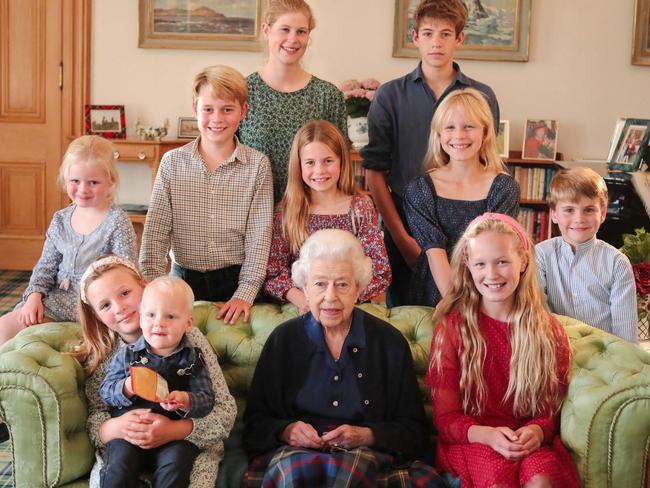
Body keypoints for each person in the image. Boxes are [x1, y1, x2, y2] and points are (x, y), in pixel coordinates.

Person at [245, 229, 442, 487]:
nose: (330, 297)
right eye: (320, 284)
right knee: (295, 474)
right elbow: (254, 424)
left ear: (358, 288)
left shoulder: (388, 342)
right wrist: (286, 430)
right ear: (305, 287)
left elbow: (415, 431)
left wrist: (367, 435)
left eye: (342, 284)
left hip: (368, 455)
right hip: (297, 456)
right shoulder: (284, 340)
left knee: (350, 476)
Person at [361, 0, 500, 306]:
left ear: (460, 39)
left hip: (467, 224)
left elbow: (487, 162)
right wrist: (402, 240)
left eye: (445, 34)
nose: (436, 42)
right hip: (405, 226)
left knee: (469, 312)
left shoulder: (481, 95)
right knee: (407, 321)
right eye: (428, 33)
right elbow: (374, 173)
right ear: (415, 38)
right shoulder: (390, 95)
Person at [428, 213, 580, 487]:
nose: (492, 274)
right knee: (498, 480)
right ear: (468, 266)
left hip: (527, 442)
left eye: (502, 262)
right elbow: (445, 419)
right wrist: (487, 435)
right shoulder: (453, 329)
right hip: (473, 441)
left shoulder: (548, 330)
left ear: (522, 262)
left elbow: (549, 411)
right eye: (481, 264)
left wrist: (536, 430)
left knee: (542, 479)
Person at [73, 255, 236, 488]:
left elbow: (223, 410)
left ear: (144, 286)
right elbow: (96, 416)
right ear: (96, 314)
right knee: (111, 477)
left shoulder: (189, 342)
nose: (120, 307)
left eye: (125, 293)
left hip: (183, 441)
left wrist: (175, 428)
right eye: (105, 305)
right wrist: (117, 427)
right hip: (124, 443)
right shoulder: (106, 353)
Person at [139, 64, 274, 325]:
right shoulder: (172, 163)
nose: (217, 119)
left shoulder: (258, 166)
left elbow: (259, 237)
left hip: (235, 282)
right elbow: (155, 233)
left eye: (227, 109)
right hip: (182, 281)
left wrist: (244, 294)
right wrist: (155, 290)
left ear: (243, 112)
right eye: (208, 109)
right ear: (195, 109)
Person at [0, 135, 136, 345]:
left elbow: (127, 272)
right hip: (55, 301)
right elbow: (45, 266)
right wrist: (34, 296)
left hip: (96, 309)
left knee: (55, 343)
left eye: (93, 182)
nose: (83, 189)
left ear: (111, 180)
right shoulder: (60, 219)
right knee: (5, 330)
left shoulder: (117, 221)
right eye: (75, 181)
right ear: (65, 179)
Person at [403, 88, 519, 307]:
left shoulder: (504, 187)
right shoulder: (420, 189)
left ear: (485, 133)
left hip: (488, 288)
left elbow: (495, 249)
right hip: (436, 290)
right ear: (438, 135)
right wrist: (454, 303)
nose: (459, 136)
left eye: (469, 126)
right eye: (449, 127)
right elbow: (434, 251)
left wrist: (476, 305)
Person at [98, 276, 215, 487]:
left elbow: (207, 399)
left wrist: (186, 399)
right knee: (117, 468)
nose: (159, 322)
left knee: (177, 465)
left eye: (170, 316)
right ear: (141, 319)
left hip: (173, 436)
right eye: (151, 315)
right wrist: (127, 387)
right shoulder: (128, 355)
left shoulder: (193, 359)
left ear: (188, 323)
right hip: (130, 436)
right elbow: (105, 391)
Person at [263, 120, 390, 311]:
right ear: (299, 165)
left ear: (342, 161)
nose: (319, 170)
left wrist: (342, 297)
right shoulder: (287, 210)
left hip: (349, 309)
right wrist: (302, 299)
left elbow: (380, 272)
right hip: (301, 309)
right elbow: (273, 273)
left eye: (328, 161)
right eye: (310, 163)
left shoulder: (359, 208)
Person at [238, 0, 347, 202]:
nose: (293, 39)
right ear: (266, 30)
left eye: (301, 32)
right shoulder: (243, 92)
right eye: (285, 29)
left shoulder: (328, 96)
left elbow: (341, 165)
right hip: (252, 215)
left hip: (311, 217)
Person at [536, 167, 638, 343]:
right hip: (556, 351)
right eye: (569, 210)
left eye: (589, 210)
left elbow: (626, 333)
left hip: (605, 358)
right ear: (554, 214)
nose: (579, 219)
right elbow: (537, 313)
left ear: (603, 213)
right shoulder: (540, 256)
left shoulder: (617, 263)